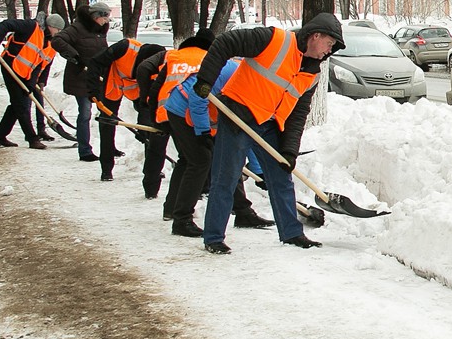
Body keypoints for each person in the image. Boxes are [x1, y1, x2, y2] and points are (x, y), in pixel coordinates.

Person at [192, 14, 345, 254]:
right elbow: (225, 42)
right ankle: (213, 237)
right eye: (329, 44)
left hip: (268, 123)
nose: (329, 51)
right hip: (237, 114)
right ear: (316, 36)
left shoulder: (311, 73)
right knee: (227, 176)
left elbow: (297, 114)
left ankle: (292, 233)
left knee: (281, 175)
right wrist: (206, 79)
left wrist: (289, 150)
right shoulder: (272, 39)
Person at [164, 58, 273, 238]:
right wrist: (203, 132)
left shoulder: (254, 87)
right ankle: (182, 220)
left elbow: (248, 131)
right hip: (182, 110)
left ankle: (243, 213)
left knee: (229, 157)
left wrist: (259, 171)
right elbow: (196, 97)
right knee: (200, 161)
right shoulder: (227, 71)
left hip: (205, 117)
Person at [135, 30, 209, 209]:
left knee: (157, 151)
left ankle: (152, 190)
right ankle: (178, 205)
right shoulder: (209, 58)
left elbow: (154, 84)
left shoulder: (172, 56)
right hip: (187, 115)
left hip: (165, 112)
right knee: (191, 158)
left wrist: (148, 107)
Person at [0, 12, 64, 149]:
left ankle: (0, 137)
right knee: (22, 105)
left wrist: (33, 82)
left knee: (16, 105)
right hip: (10, 67)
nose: (57, 33)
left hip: (24, 73)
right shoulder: (30, 26)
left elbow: (39, 63)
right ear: (51, 26)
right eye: (58, 30)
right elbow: (6, 24)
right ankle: (32, 139)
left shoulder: (45, 38)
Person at [50, 0, 112, 164]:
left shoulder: (100, 30)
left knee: (107, 112)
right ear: (96, 15)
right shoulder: (77, 28)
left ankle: (109, 147)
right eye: (105, 17)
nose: (106, 21)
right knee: (85, 113)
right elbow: (57, 40)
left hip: (97, 78)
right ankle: (85, 150)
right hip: (81, 79)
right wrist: (75, 57)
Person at [87, 27, 144, 181]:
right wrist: (93, 90)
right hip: (114, 85)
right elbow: (94, 62)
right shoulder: (124, 47)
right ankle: (106, 169)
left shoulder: (156, 64)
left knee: (149, 124)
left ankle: (152, 169)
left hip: (137, 88)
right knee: (107, 123)